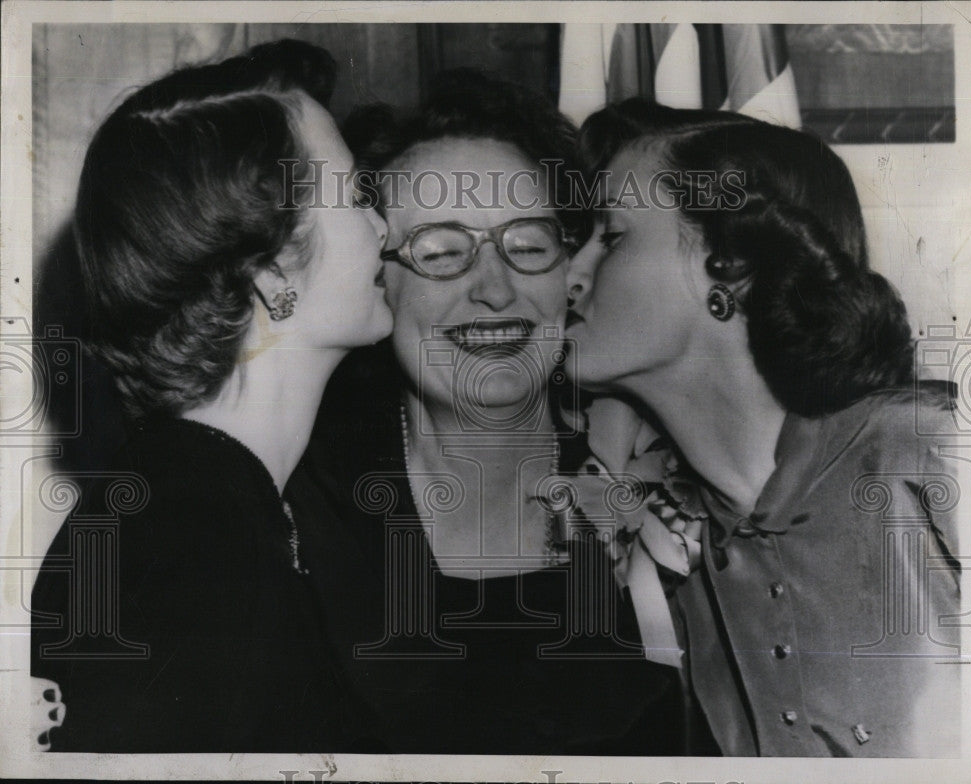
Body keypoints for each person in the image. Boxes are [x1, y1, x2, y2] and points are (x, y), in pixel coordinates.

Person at [284, 73, 709, 755]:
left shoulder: (665, 508)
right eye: (442, 252)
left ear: (571, 268)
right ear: (374, 278)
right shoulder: (301, 504)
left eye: (529, 243)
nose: (494, 290)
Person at [564, 98, 963, 757]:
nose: (570, 277)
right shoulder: (687, 570)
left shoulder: (933, 451)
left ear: (733, 269)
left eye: (611, 237)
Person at [31, 40, 392, 752]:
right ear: (269, 277)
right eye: (355, 198)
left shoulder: (207, 499)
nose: (384, 229)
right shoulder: (193, 537)